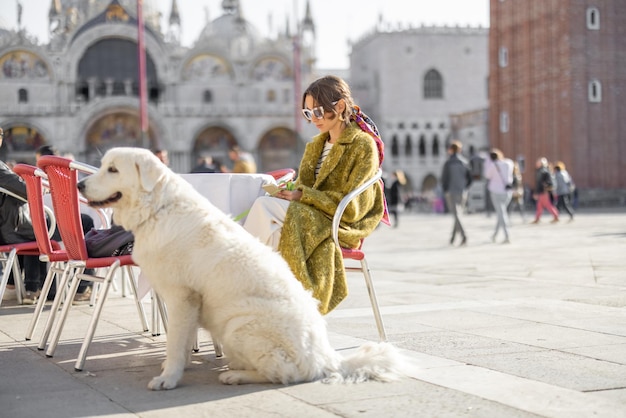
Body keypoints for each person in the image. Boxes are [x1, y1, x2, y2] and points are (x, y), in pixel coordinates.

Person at [243, 75, 386, 314]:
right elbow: (303, 187)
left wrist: (304, 196)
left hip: (339, 222)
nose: (313, 120)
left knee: (263, 208)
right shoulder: (314, 146)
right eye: (307, 113)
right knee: (272, 222)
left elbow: (353, 209)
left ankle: (241, 280)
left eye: (317, 112)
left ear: (339, 107)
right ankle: (270, 303)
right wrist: (287, 192)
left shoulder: (362, 145)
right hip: (309, 215)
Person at [35, 143, 96, 302]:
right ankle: (82, 287)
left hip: (41, 232)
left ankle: (43, 287)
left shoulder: (34, 177)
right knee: (89, 226)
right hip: (57, 231)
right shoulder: (60, 178)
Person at [0, 131, 51, 304]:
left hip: (8, 226)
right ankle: (79, 286)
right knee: (82, 222)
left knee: (36, 225)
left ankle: (21, 286)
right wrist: (46, 188)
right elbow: (28, 192)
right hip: (9, 229)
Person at [441, 140, 472, 246]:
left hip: (451, 191)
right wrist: (465, 187)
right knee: (458, 214)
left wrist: (445, 190)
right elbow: (470, 178)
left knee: (457, 215)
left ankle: (464, 236)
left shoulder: (448, 163)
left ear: (451, 150)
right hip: (462, 191)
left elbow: (444, 178)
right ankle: (452, 238)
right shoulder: (465, 162)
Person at [484, 148, 514, 243]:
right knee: (501, 213)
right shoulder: (508, 163)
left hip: (496, 191)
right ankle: (495, 235)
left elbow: (487, 175)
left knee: (501, 213)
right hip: (507, 191)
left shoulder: (492, 165)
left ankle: (507, 236)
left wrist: (488, 162)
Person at [531, 157, 559, 224]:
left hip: (543, 191)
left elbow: (539, 183)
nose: (536, 163)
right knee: (540, 205)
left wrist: (536, 192)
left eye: (538, 162)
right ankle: (537, 218)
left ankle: (556, 216)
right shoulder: (545, 170)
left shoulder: (541, 171)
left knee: (547, 205)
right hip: (544, 191)